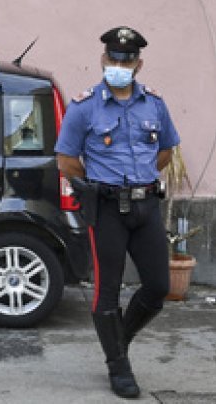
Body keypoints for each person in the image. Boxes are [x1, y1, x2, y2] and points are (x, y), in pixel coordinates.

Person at [55, 26, 180, 399]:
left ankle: (118, 340)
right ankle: (118, 366)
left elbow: (166, 150)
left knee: (158, 286)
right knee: (106, 290)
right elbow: (66, 160)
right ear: (103, 60)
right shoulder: (85, 106)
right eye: (113, 59)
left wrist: (139, 178)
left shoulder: (154, 104)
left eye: (126, 60)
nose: (119, 65)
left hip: (146, 206)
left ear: (138, 64)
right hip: (107, 209)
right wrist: (100, 182)